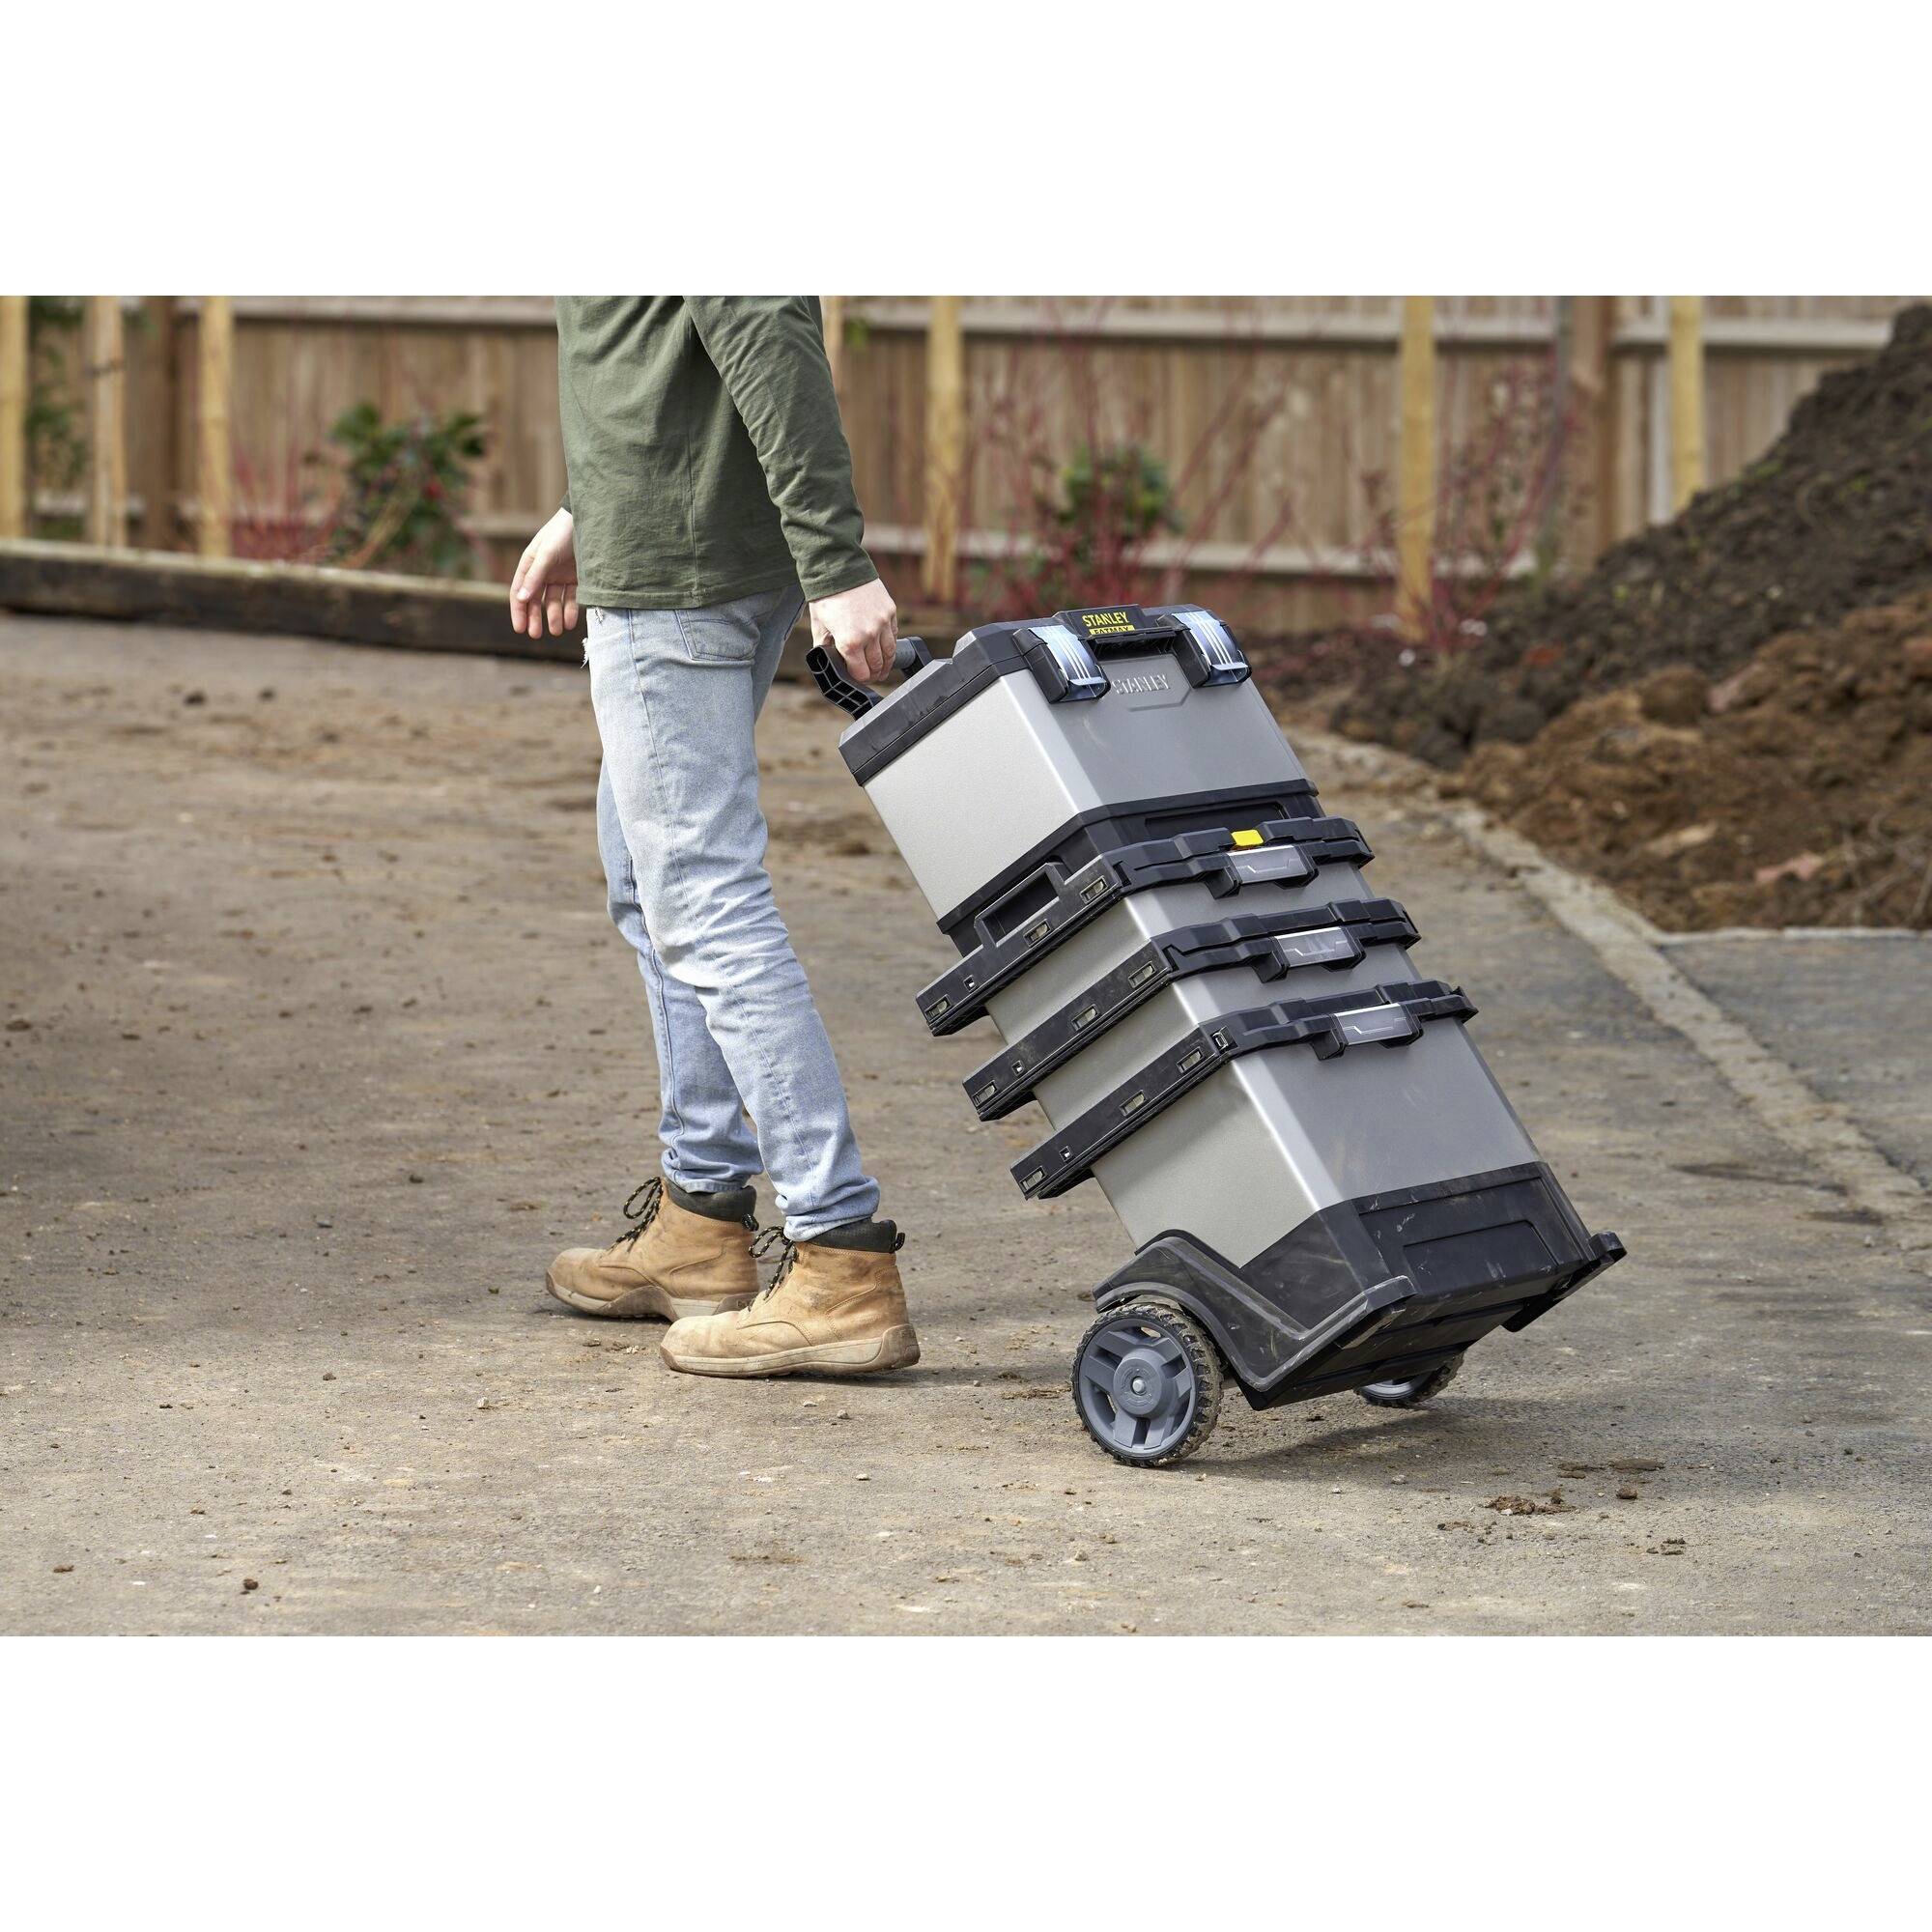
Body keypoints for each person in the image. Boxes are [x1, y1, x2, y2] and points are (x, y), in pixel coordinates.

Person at [509, 298, 918, 1380]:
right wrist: (580, 507)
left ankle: (839, 1254)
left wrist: (836, 560)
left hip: (677, 585)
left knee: (705, 909)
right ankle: (701, 1220)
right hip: (672, 545)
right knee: (650, 890)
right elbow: (654, 350)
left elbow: (764, 329)